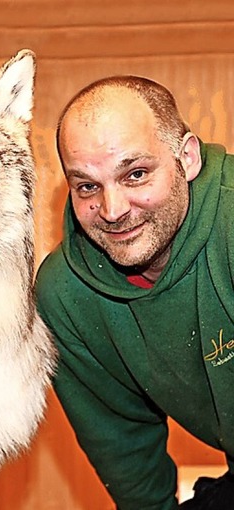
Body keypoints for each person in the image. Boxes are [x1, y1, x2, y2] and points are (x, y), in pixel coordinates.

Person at [35, 75, 234, 509]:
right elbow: (124, 447)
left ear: (188, 158)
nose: (113, 210)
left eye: (136, 174)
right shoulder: (66, 297)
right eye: (87, 186)